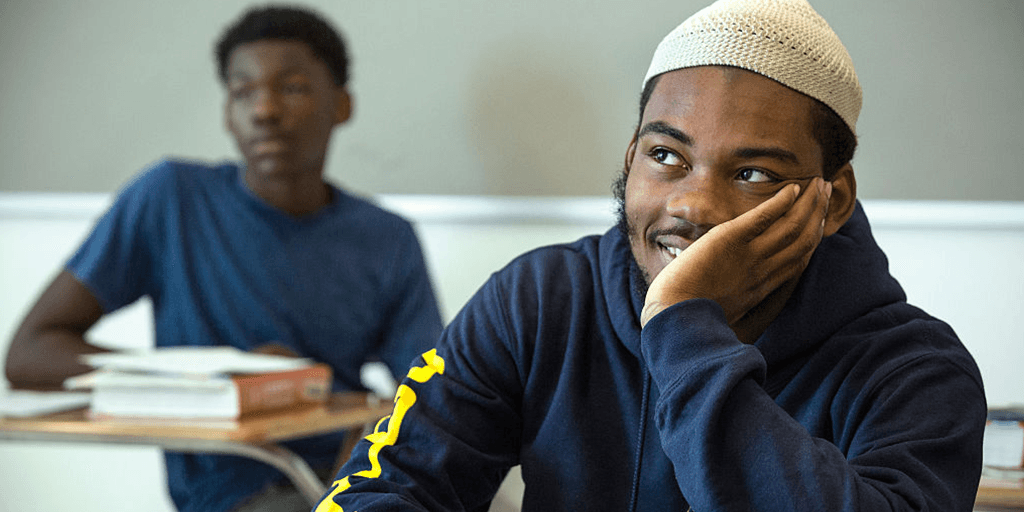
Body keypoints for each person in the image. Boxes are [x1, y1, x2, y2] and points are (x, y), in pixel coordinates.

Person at [314, 0, 987, 511]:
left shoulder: (916, 370)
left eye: (753, 172)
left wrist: (686, 328)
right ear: (631, 158)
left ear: (832, 200)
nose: (693, 206)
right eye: (667, 156)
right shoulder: (540, 300)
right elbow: (393, 483)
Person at [3, 5, 443, 512]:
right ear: (226, 115)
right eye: (242, 92)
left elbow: (430, 386)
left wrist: (376, 434)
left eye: (293, 87)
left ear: (341, 105)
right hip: (236, 490)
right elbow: (29, 352)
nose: (264, 110)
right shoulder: (170, 198)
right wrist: (198, 377)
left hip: (353, 477)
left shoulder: (387, 237)